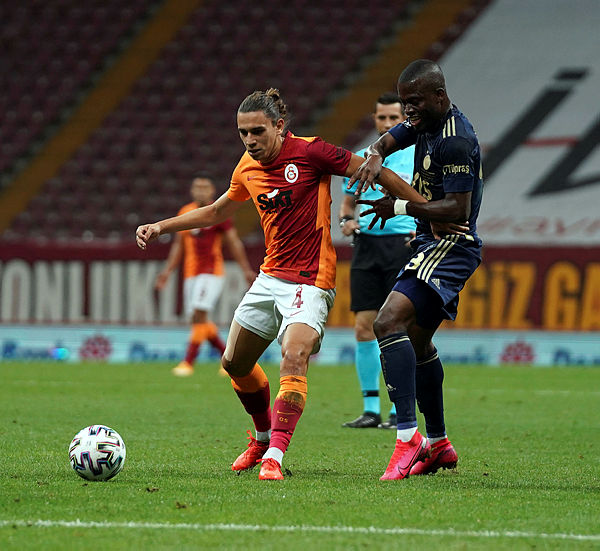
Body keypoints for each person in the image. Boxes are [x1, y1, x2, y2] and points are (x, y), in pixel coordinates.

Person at [136, 88, 427, 480]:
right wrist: (161, 227)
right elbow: (218, 210)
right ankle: (261, 438)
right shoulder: (246, 166)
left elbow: (378, 172)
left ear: (279, 125)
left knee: (293, 355)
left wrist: (425, 213)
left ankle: (275, 455)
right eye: (243, 133)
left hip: (311, 279)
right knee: (234, 363)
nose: (250, 140)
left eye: (257, 131)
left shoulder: (312, 152)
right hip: (270, 277)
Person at [349, 59, 483, 480]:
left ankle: (407, 438)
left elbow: (457, 210)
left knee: (387, 322)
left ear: (439, 97)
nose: (408, 111)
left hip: (451, 245)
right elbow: (389, 139)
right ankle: (438, 444)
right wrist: (374, 154)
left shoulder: (455, 139)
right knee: (419, 343)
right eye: (404, 102)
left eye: (415, 102)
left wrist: (399, 207)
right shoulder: (423, 120)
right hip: (429, 241)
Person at [340, 93, 416, 430]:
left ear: (404, 120)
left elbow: (431, 200)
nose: (387, 124)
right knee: (363, 326)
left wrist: (422, 230)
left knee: (401, 327)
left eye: (393, 119)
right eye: (382, 118)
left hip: (403, 246)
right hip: (367, 246)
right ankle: (371, 409)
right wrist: (346, 221)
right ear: (374, 119)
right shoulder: (360, 157)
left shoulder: (419, 156)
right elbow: (347, 203)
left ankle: (400, 409)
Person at [154, 174, 256, 377]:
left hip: (211, 272)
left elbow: (233, 242)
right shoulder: (186, 212)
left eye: (205, 187)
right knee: (197, 319)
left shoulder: (218, 212)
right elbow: (178, 245)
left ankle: (188, 362)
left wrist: (246, 269)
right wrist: (167, 271)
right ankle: (229, 360)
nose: (201, 191)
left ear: (212, 191)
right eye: (197, 187)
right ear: (192, 191)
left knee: (199, 314)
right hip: (191, 273)